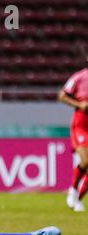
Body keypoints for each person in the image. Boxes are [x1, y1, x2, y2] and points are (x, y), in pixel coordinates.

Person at [58, 57, 88, 212]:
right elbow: (62, 95)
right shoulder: (79, 77)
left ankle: (77, 198)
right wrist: (79, 104)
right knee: (85, 160)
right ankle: (74, 189)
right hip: (81, 125)